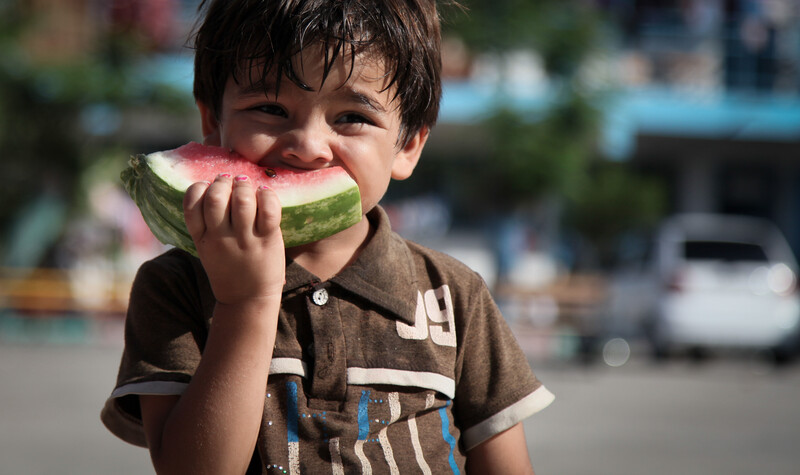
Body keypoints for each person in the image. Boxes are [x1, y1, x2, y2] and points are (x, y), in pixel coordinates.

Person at [101, 0, 555, 473]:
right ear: (213, 124)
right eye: (271, 108)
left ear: (409, 145)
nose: (308, 147)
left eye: (351, 117)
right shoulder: (175, 287)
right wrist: (245, 303)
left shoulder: (454, 295)